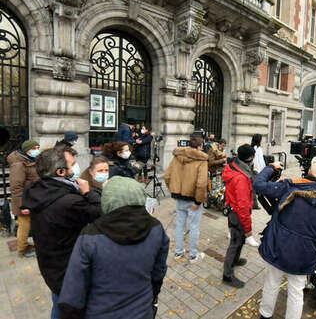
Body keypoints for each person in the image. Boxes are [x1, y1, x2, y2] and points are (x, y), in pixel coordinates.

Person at [58, 176, 169, 319]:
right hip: (142, 311)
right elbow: (158, 273)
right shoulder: (156, 228)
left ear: (107, 201)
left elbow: (73, 292)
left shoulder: (89, 237)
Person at [253, 156, 316, 319]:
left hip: (279, 247)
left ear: (309, 171)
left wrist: (271, 168)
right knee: (296, 291)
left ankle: (265, 314)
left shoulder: (290, 187)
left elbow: (258, 184)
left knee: (272, 283)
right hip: (306, 254)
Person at [22, 146, 102, 319]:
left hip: (51, 266)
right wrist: (88, 192)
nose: (75, 169)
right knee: (70, 308)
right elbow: (97, 213)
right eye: (72, 165)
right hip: (68, 270)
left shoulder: (41, 190)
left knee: (60, 304)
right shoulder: (68, 202)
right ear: (60, 171)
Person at [164, 134, 208, 263]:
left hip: (180, 198)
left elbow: (167, 176)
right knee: (194, 227)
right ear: (199, 146)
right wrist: (198, 201)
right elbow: (201, 183)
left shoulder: (177, 157)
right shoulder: (202, 160)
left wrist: (174, 192)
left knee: (179, 226)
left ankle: (178, 252)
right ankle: (193, 255)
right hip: (193, 199)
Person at [222, 144, 259, 288]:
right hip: (237, 213)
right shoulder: (241, 178)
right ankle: (227, 274)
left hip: (234, 210)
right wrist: (248, 229)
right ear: (250, 158)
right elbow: (243, 206)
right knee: (236, 242)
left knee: (239, 240)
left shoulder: (235, 166)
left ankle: (235, 260)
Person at [7, 140, 41, 258]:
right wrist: (23, 205)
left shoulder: (28, 160)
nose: (37, 150)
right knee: (24, 224)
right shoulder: (19, 164)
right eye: (34, 148)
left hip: (31, 198)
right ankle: (22, 249)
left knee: (28, 223)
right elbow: (16, 187)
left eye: (38, 147)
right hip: (24, 200)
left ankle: (25, 244)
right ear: (27, 150)